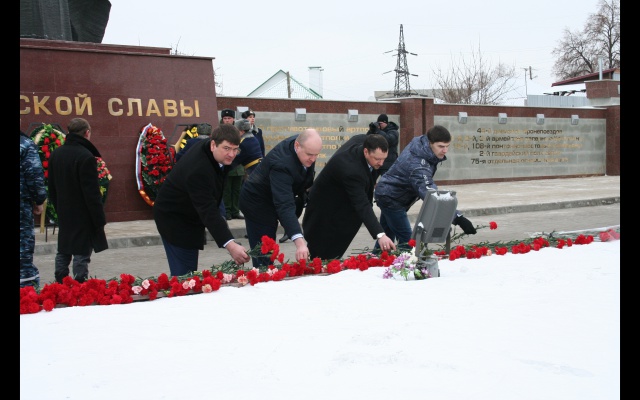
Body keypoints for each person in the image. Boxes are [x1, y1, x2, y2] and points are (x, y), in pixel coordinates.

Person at [153, 124, 251, 277]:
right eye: (226, 148)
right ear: (213, 145)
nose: (231, 154)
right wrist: (230, 244)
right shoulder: (198, 169)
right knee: (185, 276)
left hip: (190, 214)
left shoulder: (213, 152)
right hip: (174, 219)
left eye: (235, 149)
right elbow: (208, 209)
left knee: (189, 273)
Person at [373, 125, 477, 249]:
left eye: (447, 146)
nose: (445, 150)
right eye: (441, 146)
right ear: (430, 142)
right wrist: (458, 218)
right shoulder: (418, 166)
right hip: (391, 198)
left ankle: (376, 258)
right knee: (409, 243)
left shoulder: (421, 144)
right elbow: (431, 195)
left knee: (386, 241)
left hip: (389, 193)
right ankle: (406, 260)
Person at [302, 134, 397, 260]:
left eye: (384, 158)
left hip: (342, 209)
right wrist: (380, 235)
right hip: (326, 216)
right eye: (377, 159)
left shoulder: (364, 141)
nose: (381, 163)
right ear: (366, 151)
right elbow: (362, 204)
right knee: (323, 257)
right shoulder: (352, 170)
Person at [239, 129, 322, 268]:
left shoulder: (305, 145)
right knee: (265, 252)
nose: (313, 159)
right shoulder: (282, 164)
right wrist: (300, 243)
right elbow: (284, 204)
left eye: (316, 155)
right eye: (309, 154)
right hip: (257, 203)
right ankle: (263, 275)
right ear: (297, 146)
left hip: (274, 197)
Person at [48, 117, 108, 283]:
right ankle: (80, 285)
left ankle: (60, 283)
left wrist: (59, 208)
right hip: (82, 214)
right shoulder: (86, 156)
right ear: (87, 133)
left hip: (64, 211)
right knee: (81, 253)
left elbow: (51, 187)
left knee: (64, 249)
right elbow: (92, 194)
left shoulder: (56, 154)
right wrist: (99, 219)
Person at [20, 124, 48, 288]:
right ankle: (26, 289)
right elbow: (34, 174)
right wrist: (39, 200)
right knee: (22, 249)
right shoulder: (24, 144)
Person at [220, 108, 245, 220]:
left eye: (229, 118)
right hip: (226, 165)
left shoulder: (237, 131)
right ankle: (227, 211)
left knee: (237, 190)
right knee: (227, 190)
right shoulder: (220, 131)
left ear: (233, 119)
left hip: (238, 166)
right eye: (225, 118)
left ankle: (236, 210)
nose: (227, 120)